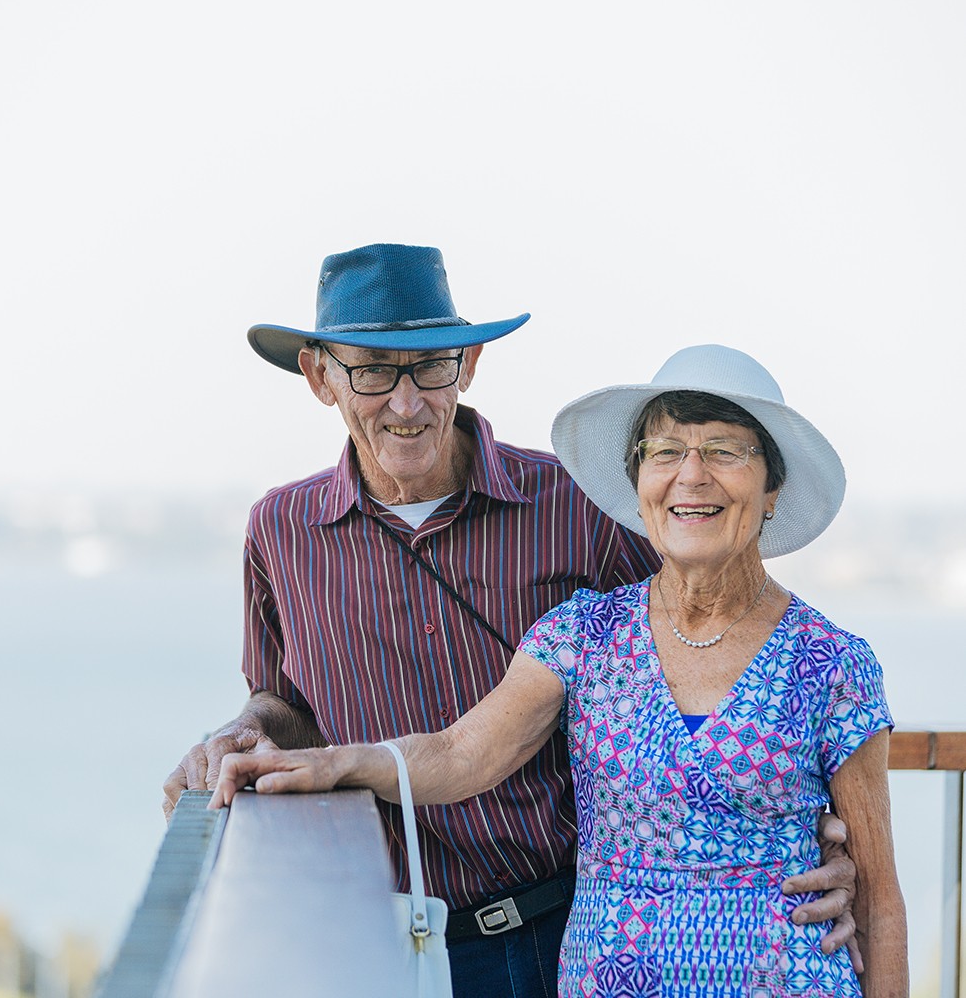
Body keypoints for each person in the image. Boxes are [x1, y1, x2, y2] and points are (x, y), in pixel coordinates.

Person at [163, 245, 858, 997]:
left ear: (468, 364)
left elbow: (710, 654)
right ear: (320, 376)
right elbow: (284, 702)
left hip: (577, 933)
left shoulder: (576, 507)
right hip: (377, 940)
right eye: (372, 369)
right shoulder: (281, 530)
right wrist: (246, 732)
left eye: (430, 366)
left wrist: (805, 835)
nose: (406, 402)